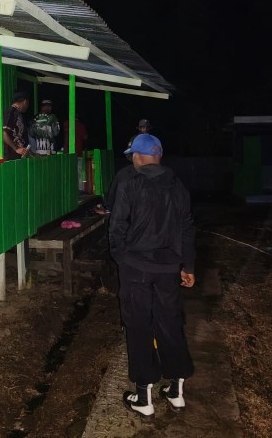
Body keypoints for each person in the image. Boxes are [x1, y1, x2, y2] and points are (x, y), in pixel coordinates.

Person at [108, 133, 196, 420]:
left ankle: (143, 397)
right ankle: (176, 392)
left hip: (136, 269)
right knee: (170, 323)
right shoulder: (178, 187)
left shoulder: (129, 183)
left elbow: (117, 225)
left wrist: (121, 257)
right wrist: (188, 266)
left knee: (138, 327)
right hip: (169, 269)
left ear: (137, 156)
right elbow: (187, 229)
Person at [2, 92, 30, 160]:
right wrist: (16, 148)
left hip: (18, 154)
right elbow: (3, 133)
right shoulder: (11, 113)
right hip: (11, 155)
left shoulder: (17, 113)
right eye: (27, 104)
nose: (27, 106)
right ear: (25, 102)